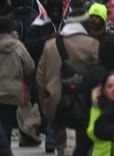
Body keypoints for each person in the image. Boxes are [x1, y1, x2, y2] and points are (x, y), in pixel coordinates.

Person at [36, 10, 99, 156]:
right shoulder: (92, 44)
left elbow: (40, 77)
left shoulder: (50, 45)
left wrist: (44, 104)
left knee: (62, 145)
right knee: (83, 146)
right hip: (85, 103)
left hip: (57, 102)